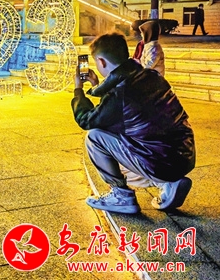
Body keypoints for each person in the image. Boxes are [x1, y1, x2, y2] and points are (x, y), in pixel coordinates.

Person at [71, 32, 195, 214]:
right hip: (184, 155)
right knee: (130, 136)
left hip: (160, 162)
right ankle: (168, 183)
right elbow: (117, 108)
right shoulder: (151, 76)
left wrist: (78, 90)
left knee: (95, 137)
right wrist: (97, 85)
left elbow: (87, 119)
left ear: (101, 62)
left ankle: (121, 196)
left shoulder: (120, 93)